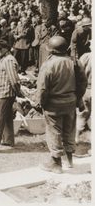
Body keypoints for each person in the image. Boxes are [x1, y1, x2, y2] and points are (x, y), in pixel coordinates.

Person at [35, 36, 87, 173]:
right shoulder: (74, 62)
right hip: (70, 102)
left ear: (51, 51)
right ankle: (69, 160)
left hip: (53, 104)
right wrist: (77, 97)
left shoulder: (48, 64)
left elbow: (42, 88)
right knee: (69, 130)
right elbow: (83, 83)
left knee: (54, 132)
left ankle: (56, 163)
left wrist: (40, 104)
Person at [76, 51, 91, 144]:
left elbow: (78, 73)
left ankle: (76, 137)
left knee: (82, 114)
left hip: (87, 89)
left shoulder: (86, 57)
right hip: (88, 88)